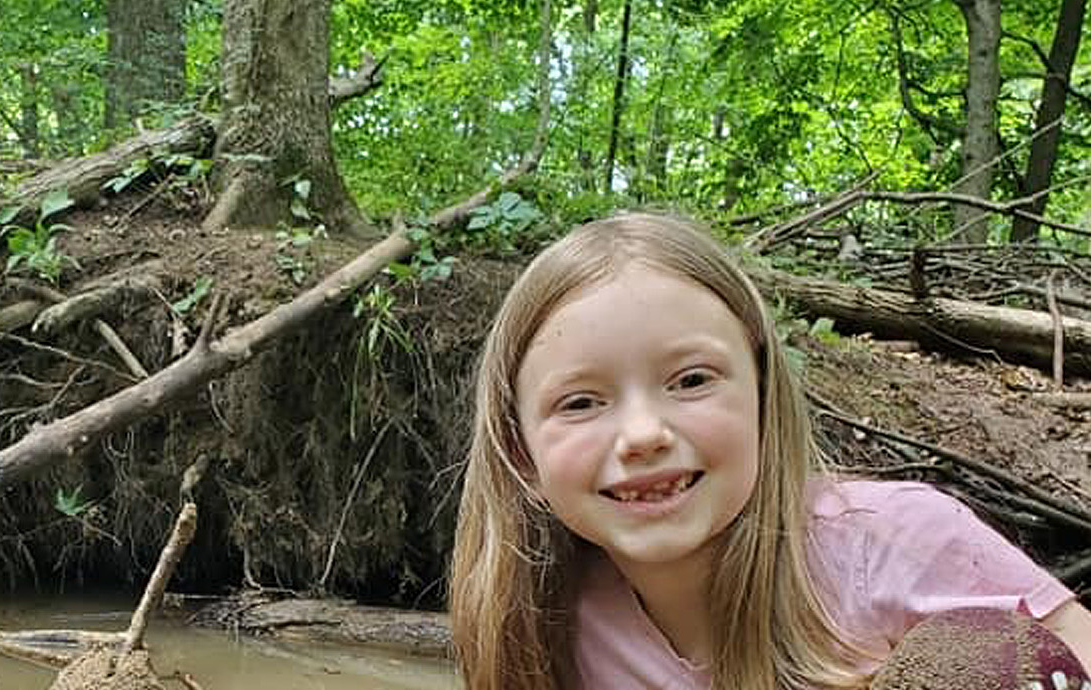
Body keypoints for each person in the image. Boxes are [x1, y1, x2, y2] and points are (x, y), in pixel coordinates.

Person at [447, 212, 1091, 690]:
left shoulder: (892, 541)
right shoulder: (552, 621)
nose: (643, 434)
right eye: (581, 402)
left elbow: (1071, 648)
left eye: (692, 380)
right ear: (520, 455)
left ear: (762, 397)